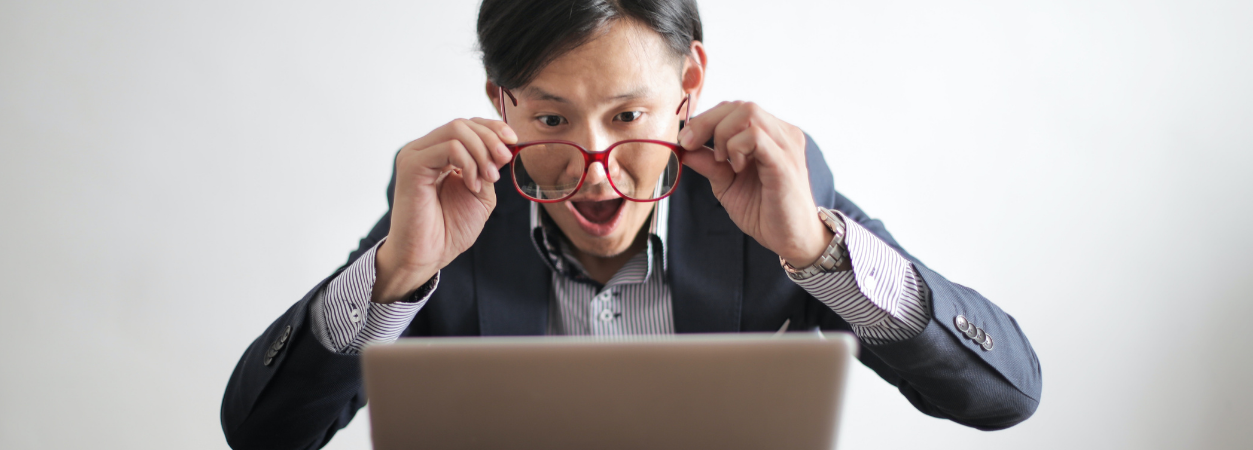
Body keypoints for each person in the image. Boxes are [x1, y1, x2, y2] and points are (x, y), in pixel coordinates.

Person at [221, 0, 1042, 448]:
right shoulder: (450, 208)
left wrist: (816, 250)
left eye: (627, 113)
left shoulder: (770, 194)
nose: (594, 159)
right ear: (500, 104)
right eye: (550, 119)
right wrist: (395, 277)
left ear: (690, 86)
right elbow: (261, 436)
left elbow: (1005, 397)